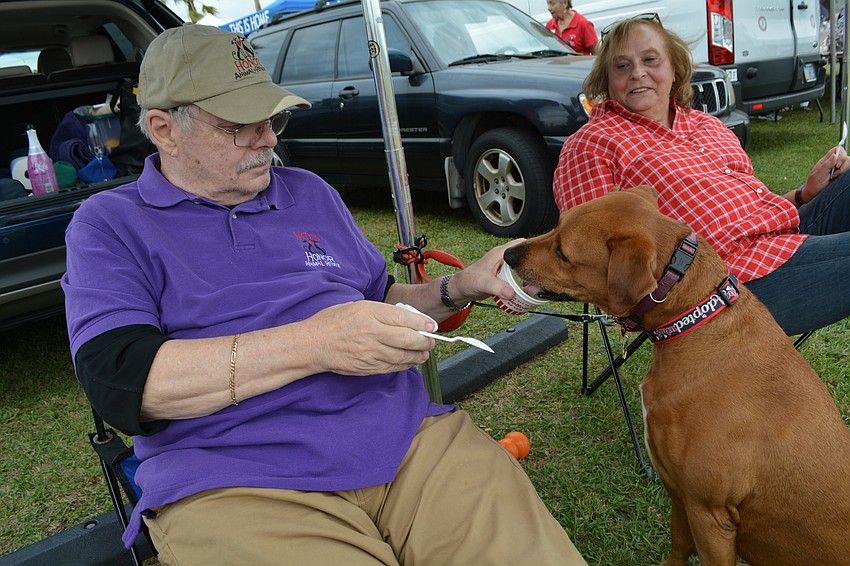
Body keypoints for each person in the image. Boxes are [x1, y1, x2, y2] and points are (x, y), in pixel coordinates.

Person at [61, 24, 587, 566]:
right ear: (164, 130)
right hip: (238, 481)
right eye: (241, 125)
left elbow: (380, 299)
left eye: (272, 118)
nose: (268, 138)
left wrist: (457, 287)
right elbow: (122, 381)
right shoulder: (110, 225)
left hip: (407, 441)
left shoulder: (309, 192)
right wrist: (316, 344)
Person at [553, 14, 850, 337]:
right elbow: (581, 248)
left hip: (783, 238)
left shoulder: (707, 125)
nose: (638, 73)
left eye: (650, 59)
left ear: (675, 68)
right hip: (723, 284)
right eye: (622, 67)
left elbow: (748, 210)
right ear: (607, 79)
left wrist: (805, 193)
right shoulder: (592, 144)